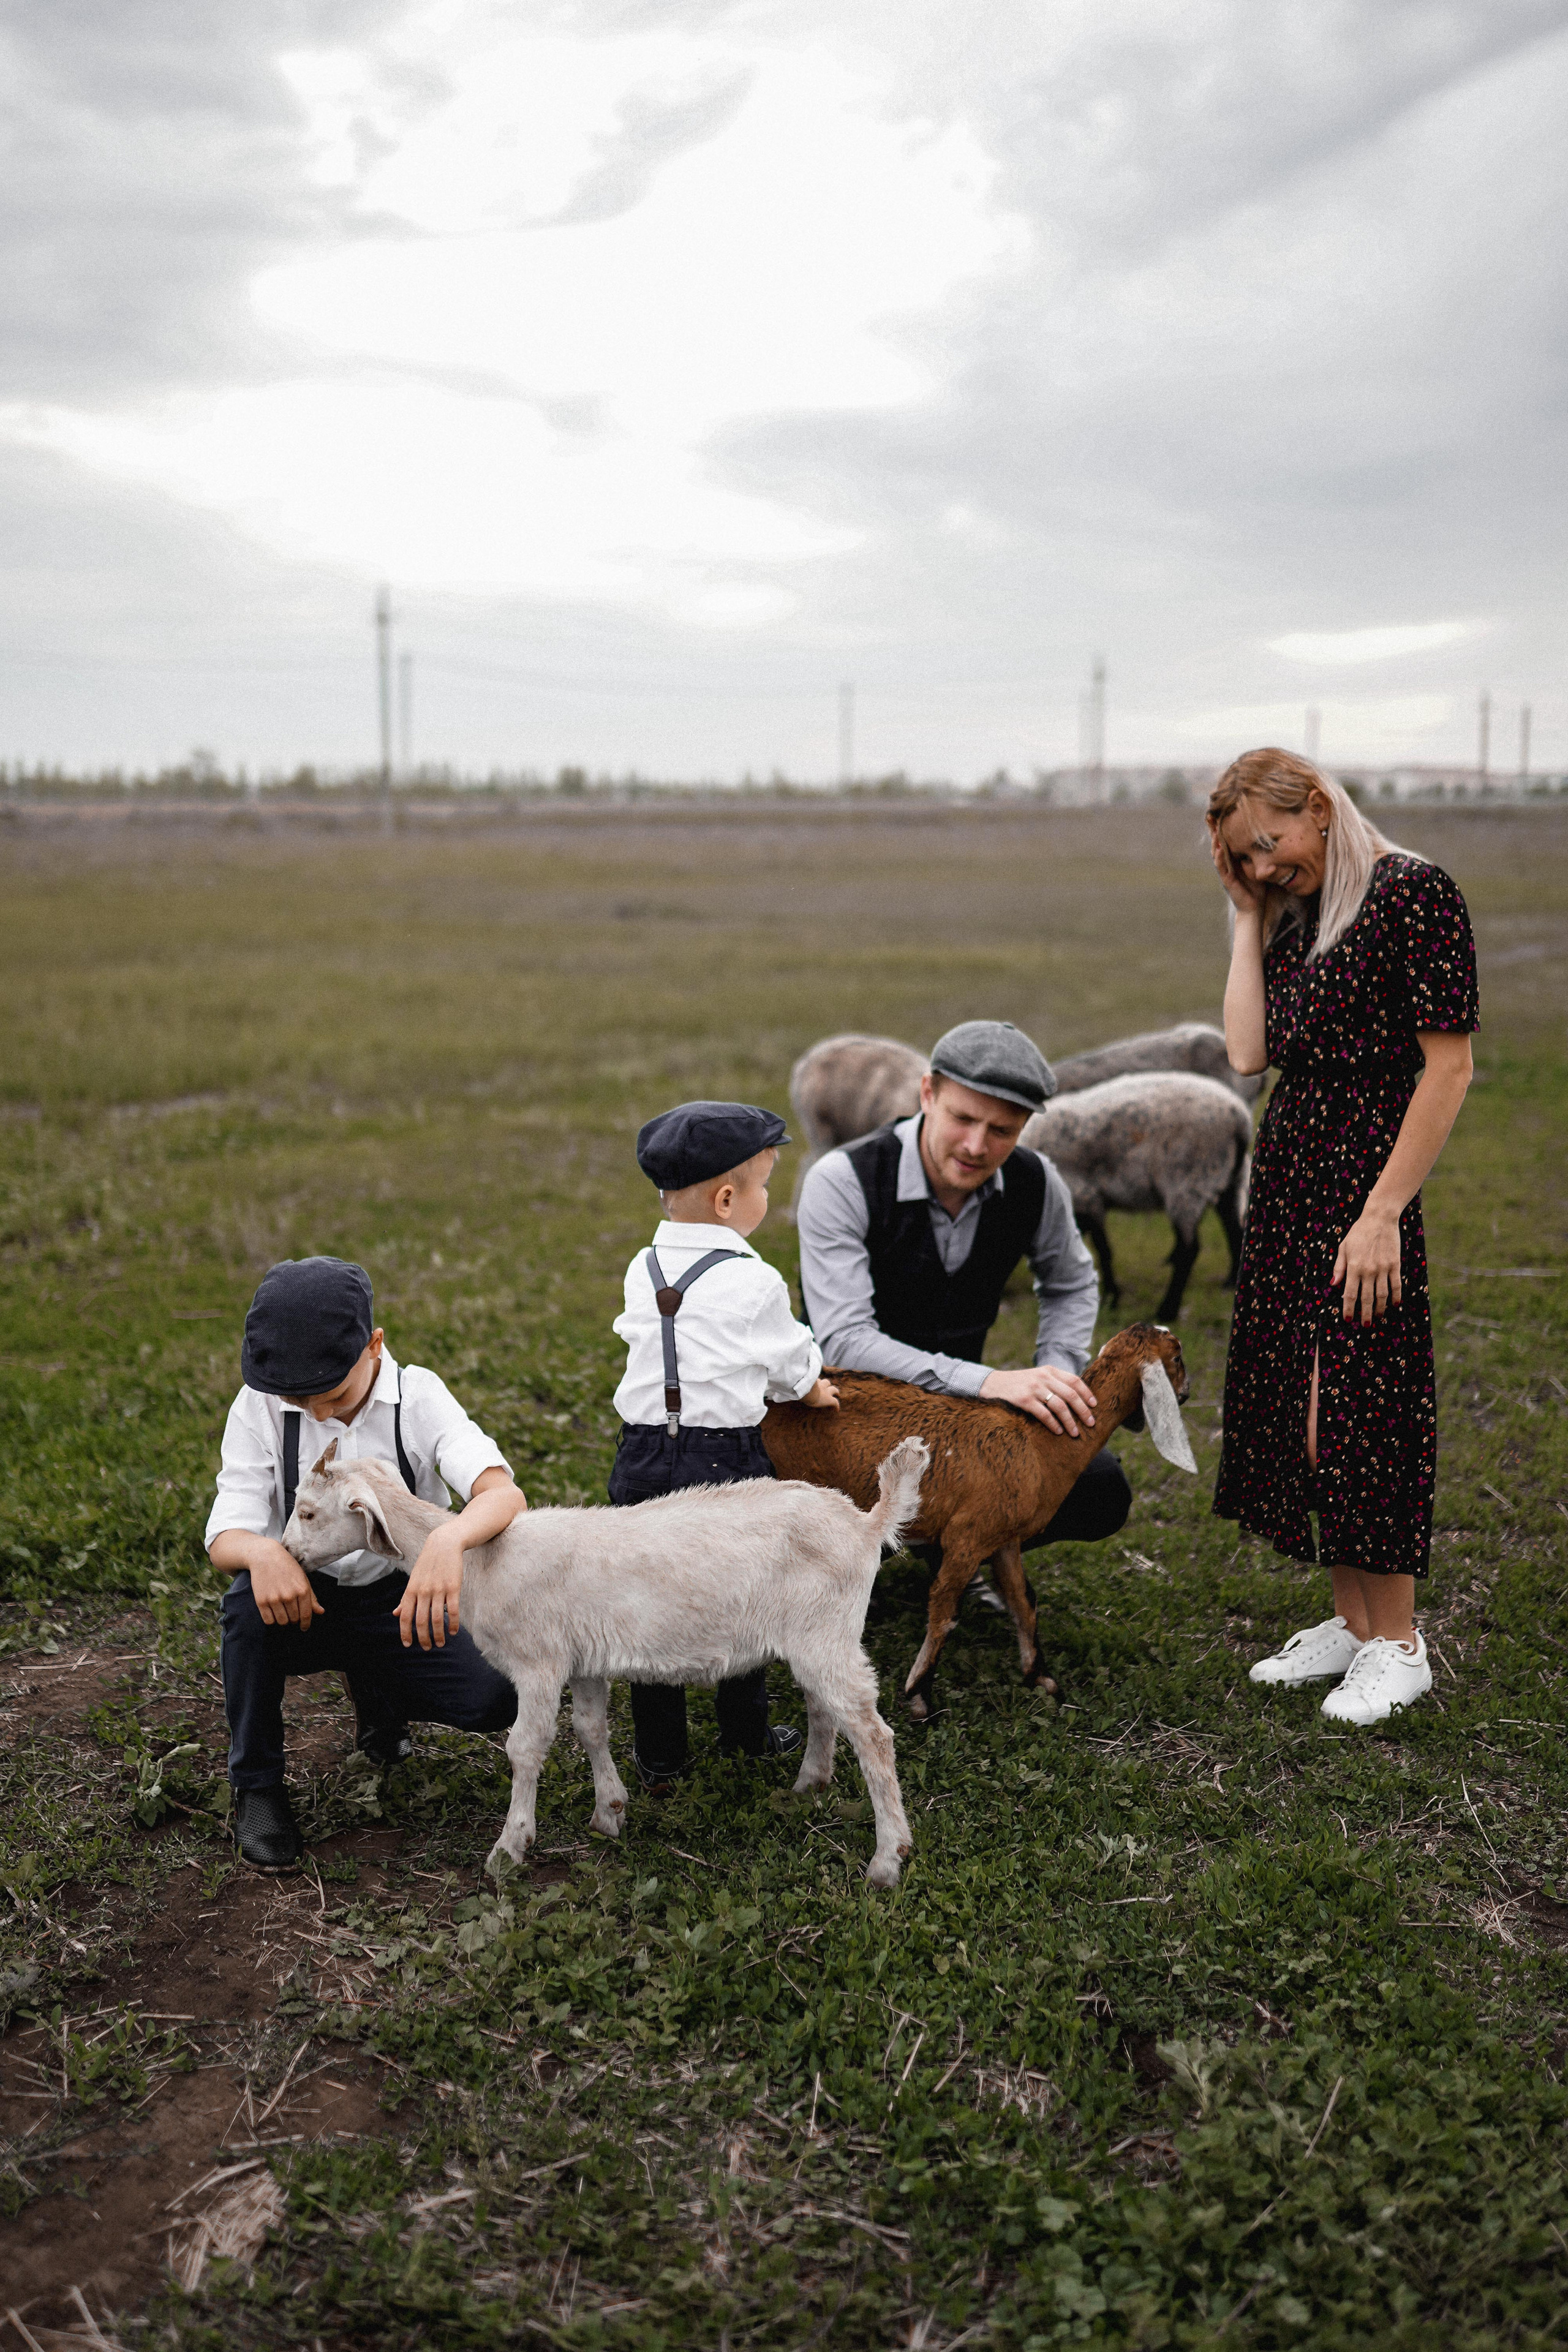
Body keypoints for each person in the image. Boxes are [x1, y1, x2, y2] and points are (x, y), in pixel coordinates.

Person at [1207, 749, 1477, 1725]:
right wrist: (1248, 916)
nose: (1264, 866)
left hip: (1366, 1182)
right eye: (1244, 857)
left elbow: (1448, 1069)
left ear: (1319, 807)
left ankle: (1399, 1645)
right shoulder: (1300, 913)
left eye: (1269, 843)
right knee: (1299, 1410)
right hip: (1291, 1180)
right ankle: (1356, 1626)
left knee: (1357, 1409)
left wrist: (1383, 1210)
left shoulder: (1415, 895)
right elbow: (1248, 1052)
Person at [208, 1256, 527, 1869]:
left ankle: (379, 1691)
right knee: (245, 1613)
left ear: (374, 1346)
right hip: (307, 1596)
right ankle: (257, 1787)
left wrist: (447, 1542)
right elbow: (227, 1530)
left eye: (332, 1395)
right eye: (298, 1400)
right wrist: (262, 1552)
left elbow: (502, 1495)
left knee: (495, 1696)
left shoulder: (419, 1397)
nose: (316, 1413)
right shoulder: (258, 1407)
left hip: (402, 1597)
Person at [794, 1019, 1131, 1583]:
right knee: (806, 1522)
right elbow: (845, 1341)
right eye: (963, 1119)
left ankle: (963, 1547)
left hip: (960, 1421)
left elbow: (1071, 1282)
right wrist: (987, 1383)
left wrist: (1056, 1374)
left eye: (1002, 1130)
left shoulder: (1035, 1181)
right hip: (847, 1419)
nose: (977, 1146)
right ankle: (855, 1554)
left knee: (1100, 1489)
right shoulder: (842, 1180)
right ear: (928, 1093)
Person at [611, 1099, 840, 1793]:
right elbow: (789, 1359)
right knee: (746, 1594)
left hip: (641, 1455)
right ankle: (745, 1730)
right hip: (724, 1458)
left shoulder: (643, 1266)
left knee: (648, 1601)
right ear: (727, 1200)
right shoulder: (753, 1279)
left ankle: (660, 1756)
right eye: (765, 1185)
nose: (768, 1198)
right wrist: (811, 1389)